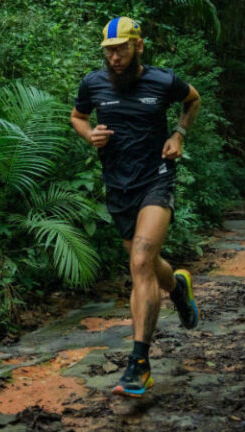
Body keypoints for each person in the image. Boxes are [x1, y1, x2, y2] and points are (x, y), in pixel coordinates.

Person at [70, 16, 201, 398]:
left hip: (157, 177)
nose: (114, 57)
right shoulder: (92, 83)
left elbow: (193, 99)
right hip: (118, 184)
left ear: (138, 46)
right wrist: (88, 133)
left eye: (121, 49)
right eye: (109, 51)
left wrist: (179, 133)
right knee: (146, 261)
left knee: (141, 261)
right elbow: (77, 117)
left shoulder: (163, 81)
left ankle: (139, 364)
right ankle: (177, 287)